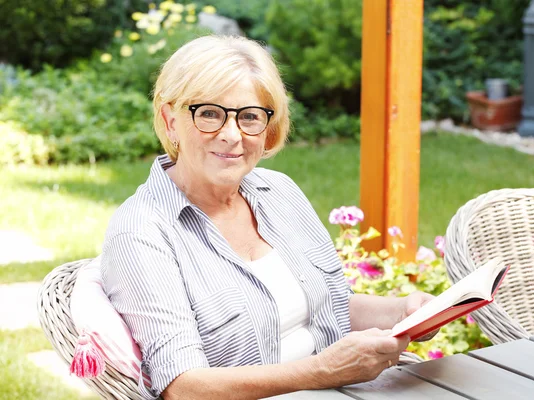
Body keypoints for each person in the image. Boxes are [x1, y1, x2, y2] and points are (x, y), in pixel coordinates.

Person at [101, 35, 436, 400]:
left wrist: (406, 313)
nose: (231, 135)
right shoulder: (142, 231)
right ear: (169, 120)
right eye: (209, 114)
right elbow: (183, 388)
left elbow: (336, 306)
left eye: (249, 117)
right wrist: (322, 372)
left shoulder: (279, 192)